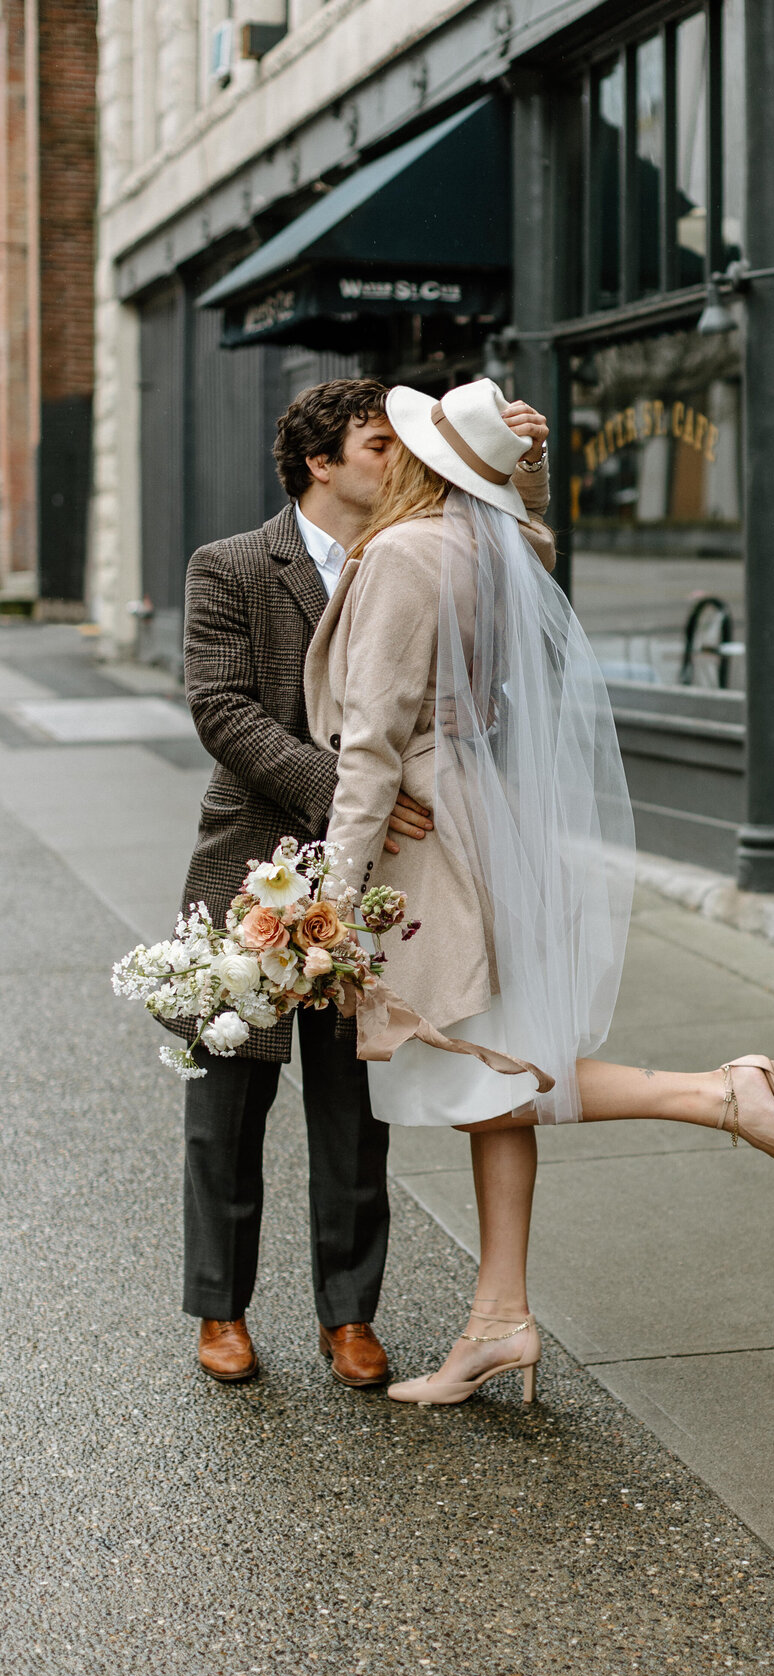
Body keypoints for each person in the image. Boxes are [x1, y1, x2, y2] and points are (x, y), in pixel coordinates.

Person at [304, 379, 774, 1408]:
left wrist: (326, 899)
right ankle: (500, 1322)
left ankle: (726, 1094)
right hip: (487, 813)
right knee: (496, 1082)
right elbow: (525, 525)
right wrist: (517, 463)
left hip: (433, 840)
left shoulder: (407, 555)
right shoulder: (503, 551)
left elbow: (368, 750)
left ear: (411, 460)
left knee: (495, 1065)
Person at [172, 377, 554, 1386]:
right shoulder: (230, 566)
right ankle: (221, 1310)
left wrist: (516, 464)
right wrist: (355, 789)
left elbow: (523, 589)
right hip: (252, 865)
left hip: (377, 878)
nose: (400, 457)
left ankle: (350, 1315)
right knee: (229, 1104)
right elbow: (221, 709)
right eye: (380, 443)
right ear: (319, 462)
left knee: (353, 1105)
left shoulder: (422, 547)